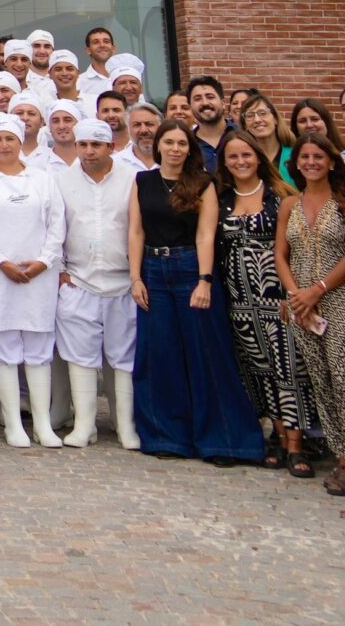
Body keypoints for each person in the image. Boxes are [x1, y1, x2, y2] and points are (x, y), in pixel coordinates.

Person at [130, 123, 262, 462]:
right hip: (154, 272)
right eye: (168, 142)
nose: (175, 148)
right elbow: (136, 232)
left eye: (181, 143)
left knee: (207, 355)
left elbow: (205, 235)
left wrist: (205, 280)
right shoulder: (142, 181)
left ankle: (225, 441)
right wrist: (136, 278)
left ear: (190, 149)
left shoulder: (203, 184)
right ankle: (167, 437)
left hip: (191, 269)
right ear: (157, 146)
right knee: (160, 355)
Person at [275, 131, 345, 495]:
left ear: (332, 161)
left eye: (319, 156)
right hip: (301, 303)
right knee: (322, 379)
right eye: (305, 157)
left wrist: (318, 290)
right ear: (296, 164)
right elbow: (280, 254)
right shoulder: (290, 204)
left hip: (342, 297)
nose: (312, 162)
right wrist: (295, 294)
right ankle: (341, 451)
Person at [0, 114, 62, 449]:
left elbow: (56, 224)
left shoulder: (42, 178)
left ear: (21, 142)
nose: (4, 145)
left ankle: (43, 423)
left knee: (38, 350)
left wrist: (43, 261)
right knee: (4, 351)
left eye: (10, 139)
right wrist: (1, 262)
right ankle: (13, 423)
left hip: (39, 276)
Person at [216, 130, 306, 470]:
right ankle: (277, 437)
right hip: (238, 301)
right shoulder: (222, 198)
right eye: (233, 157)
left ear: (258, 158)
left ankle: (297, 445)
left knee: (289, 368)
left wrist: (294, 292)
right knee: (258, 371)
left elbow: (293, 248)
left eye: (246, 155)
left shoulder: (281, 195)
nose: (240, 162)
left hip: (278, 299)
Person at [53, 119, 137, 449]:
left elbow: (137, 230)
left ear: (111, 147)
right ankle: (84, 425)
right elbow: (55, 227)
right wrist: (60, 271)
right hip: (78, 280)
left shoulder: (132, 180)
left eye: (96, 145)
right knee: (80, 357)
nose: (89, 151)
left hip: (122, 282)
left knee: (124, 357)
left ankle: (126, 426)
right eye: (83, 144)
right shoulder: (61, 181)